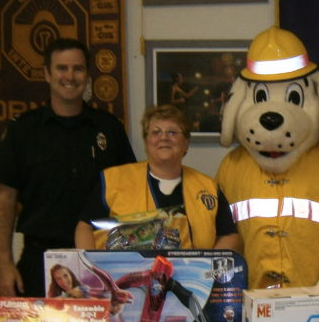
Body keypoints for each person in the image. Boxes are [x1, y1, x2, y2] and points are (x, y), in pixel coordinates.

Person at [0, 38, 135, 298]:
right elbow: (3, 199)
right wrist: (4, 264)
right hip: (39, 259)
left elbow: (131, 196)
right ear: (47, 73)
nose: (70, 76)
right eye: (62, 68)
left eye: (78, 69)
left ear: (87, 75)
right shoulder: (23, 130)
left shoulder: (109, 129)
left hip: (99, 259)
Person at [75, 104, 239, 252]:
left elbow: (230, 235)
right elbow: (84, 228)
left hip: (194, 281)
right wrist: (92, 267)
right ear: (147, 142)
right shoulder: (113, 180)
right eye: (156, 132)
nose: (164, 137)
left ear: (186, 143)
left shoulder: (207, 186)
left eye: (172, 132)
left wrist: (209, 265)